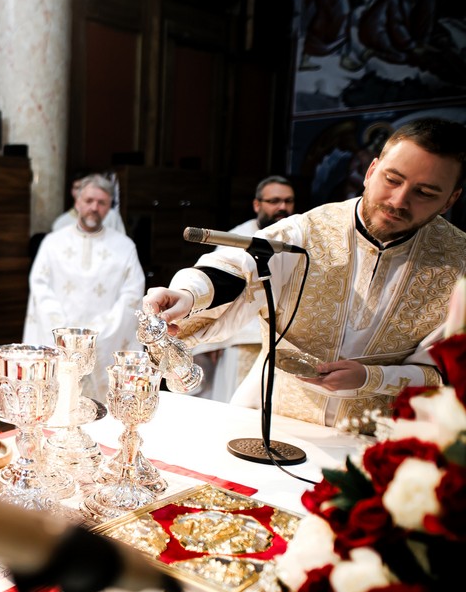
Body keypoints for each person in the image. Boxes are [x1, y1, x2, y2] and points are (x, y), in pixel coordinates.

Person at [145, 118, 466, 429]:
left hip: (379, 436)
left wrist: (373, 378)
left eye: (425, 193)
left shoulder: (459, 263)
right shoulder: (311, 230)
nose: (399, 201)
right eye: (392, 180)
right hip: (276, 417)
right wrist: (189, 294)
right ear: (370, 171)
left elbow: (448, 372)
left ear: (450, 200)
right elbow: (241, 268)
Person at [23, 174, 145, 402]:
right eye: (89, 201)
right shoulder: (52, 243)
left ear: (109, 207)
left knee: (101, 409)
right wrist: (62, 331)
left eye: (102, 203)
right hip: (58, 337)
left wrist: (98, 334)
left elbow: (133, 295)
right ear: (77, 202)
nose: (94, 208)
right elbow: (40, 287)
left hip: (105, 340)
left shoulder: (125, 247)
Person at [194, 177, 297, 402]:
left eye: (288, 201)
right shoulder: (236, 238)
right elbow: (216, 285)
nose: (282, 207)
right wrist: (213, 339)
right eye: (274, 201)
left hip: (282, 341)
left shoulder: (297, 240)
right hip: (241, 338)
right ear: (257, 205)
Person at [50, 172, 127, 235]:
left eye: (84, 188)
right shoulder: (62, 223)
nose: (80, 192)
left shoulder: (111, 217)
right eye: (77, 188)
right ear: (72, 191)